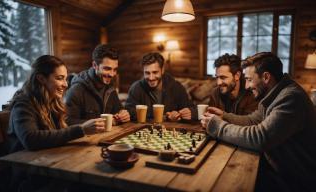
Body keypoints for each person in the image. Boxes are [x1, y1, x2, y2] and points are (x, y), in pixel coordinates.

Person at [201, 52, 316, 191]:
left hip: (296, 180)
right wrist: (224, 116)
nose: (247, 85)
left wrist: (218, 127)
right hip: (279, 170)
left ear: (266, 77)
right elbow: (253, 120)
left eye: (249, 79)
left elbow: (261, 137)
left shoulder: (291, 97)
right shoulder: (272, 93)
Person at [8, 55, 105, 153]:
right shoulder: (23, 103)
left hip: (48, 157)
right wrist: (81, 130)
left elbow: (59, 133)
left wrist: (88, 126)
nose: (66, 84)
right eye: (59, 78)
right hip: (23, 163)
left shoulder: (53, 101)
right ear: (41, 78)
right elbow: (30, 139)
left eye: (65, 79)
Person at [64, 44, 130, 125]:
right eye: (107, 69)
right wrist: (95, 124)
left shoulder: (110, 87)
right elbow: (68, 122)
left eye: (115, 70)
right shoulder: (76, 89)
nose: (112, 74)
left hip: (109, 136)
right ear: (95, 65)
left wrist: (123, 114)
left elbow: (118, 110)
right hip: (86, 137)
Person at [125, 52, 197, 121]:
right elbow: (129, 112)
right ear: (143, 71)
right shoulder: (136, 88)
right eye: (147, 73)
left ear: (162, 70)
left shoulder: (176, 87)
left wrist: (190, 113)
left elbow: (192, 109)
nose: (151, 77)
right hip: (144, 130)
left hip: (172, 130)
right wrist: (165, 117)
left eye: (155, 72)